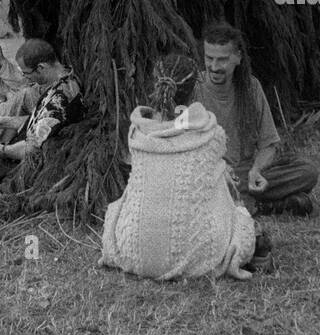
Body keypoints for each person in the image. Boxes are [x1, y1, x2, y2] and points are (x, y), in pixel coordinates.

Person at [101, 53, 260, 280]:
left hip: (132, 251)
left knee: (118, 206)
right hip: (198, 258)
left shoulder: (137, 131)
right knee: (234, 205)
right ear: (195, 90)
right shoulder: (210, 132)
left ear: (155, 85)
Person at [191, 21, 317, 217]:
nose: (214, 67)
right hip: (211, 175)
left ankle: (248, 201)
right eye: (209, 58)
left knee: (307, 172)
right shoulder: (193, 89)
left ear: (238, 58)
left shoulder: (251, 87)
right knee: (204, 187)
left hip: (245, 173)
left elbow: (269, 144)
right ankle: (269, 205)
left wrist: (256, 170)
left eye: (222, 60)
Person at [0, 38, 84, 163]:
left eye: (26, 73)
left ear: (40, 68)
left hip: (33, 164)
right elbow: (39, 122)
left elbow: (31, 149)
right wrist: (3, 122)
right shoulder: (66, 77)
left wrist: (1, 150)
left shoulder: (58, 102)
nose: (26, 77)